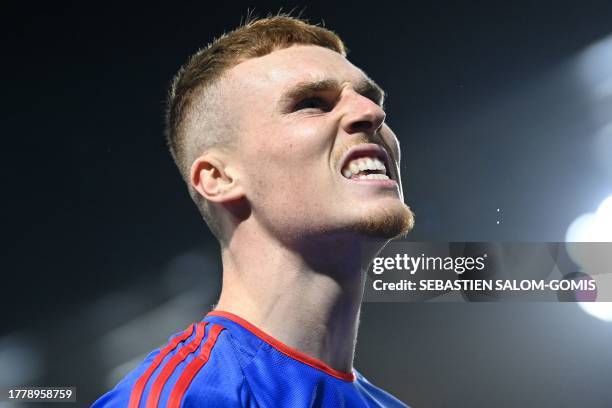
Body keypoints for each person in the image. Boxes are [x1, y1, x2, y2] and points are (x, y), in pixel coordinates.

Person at [93, 14, 414, 408]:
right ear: (219, 178)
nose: (371, 113)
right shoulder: (183, 399)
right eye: (311, 103)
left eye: (371, 99)